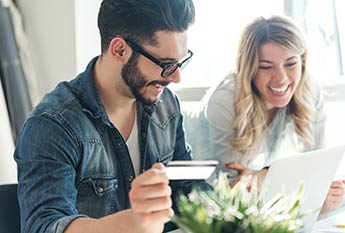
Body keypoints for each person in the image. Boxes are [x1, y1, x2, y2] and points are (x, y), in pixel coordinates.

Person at [14, 0, 210, 232]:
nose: (176, 78)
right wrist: (132, 224)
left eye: (179, 62)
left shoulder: (166, 106)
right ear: (119, 50)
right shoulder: (53, 125)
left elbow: (188, 188)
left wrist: (232, 206)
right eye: (166, 64)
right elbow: (44, 225)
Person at [184, 15, 345, 214]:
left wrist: (265, 176)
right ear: (249, 68)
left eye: (290, 63)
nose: (281, 78)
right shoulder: (225, 100)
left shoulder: (307, 88)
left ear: (303, 61)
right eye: (266, 66)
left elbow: (319, 168)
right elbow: (236, 188)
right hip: (194, 187)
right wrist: (300, 191)